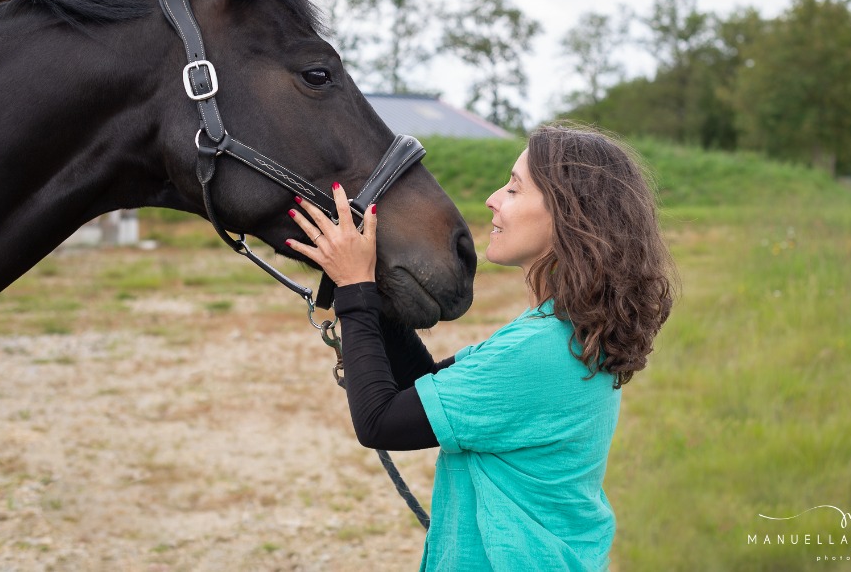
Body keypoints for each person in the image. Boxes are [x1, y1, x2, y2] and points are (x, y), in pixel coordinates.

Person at [285, 124, 676, 571]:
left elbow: (381, 423)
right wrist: (372, 285)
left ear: (568, 215)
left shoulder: (537, 353)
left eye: (513, 189)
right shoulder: (563, 334)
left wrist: (354, 289)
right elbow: (423, 387)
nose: (492, 198)